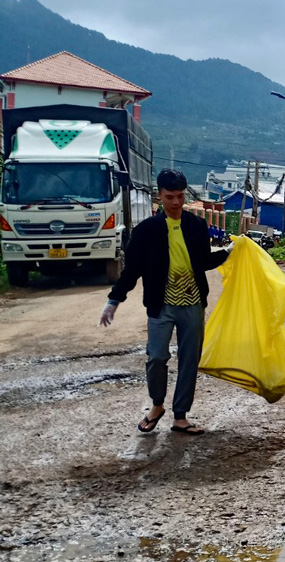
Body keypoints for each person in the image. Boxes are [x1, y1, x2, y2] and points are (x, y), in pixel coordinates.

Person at [99, 169, 231, 436]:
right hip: (161, 305)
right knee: (156, 357)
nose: (176, 202)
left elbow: (203, 262)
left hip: (193, 304)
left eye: (180, 196)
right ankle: (157, 405)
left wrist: (229, 253)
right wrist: (114, 299)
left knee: (189, 359)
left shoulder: (196, 225)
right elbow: (132, 269)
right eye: (170, 197)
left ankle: (180, 416)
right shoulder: (147, 231)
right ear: (158, 196)